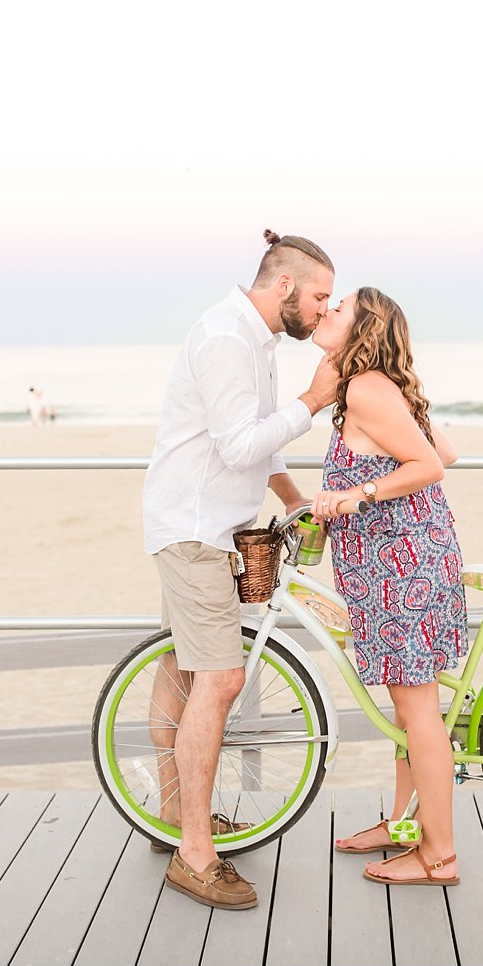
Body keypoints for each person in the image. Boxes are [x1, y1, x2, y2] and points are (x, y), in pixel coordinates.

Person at [143, 229, 339, 911]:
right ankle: (195, 855)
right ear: (285, 285)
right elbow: (236, 446)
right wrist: (312, 403)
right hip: (196, 530)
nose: (322, 310)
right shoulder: (228, 338)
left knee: (186, 672)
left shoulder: (251, 338)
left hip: (207, 527)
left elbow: (258, 442)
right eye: (319, 296)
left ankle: (174, 819)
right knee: (221, 679)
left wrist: (294, 499)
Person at [312, 287, 465, 888]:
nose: (324, 311)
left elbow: (427, 465)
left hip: (402, 569)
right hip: (396, 564)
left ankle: (440, 857)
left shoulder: (365, 389)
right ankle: (405, 823)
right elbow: (445, 450)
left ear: (365, 329)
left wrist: (356, 494)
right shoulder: (373, 387)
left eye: (338, 307)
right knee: (409, 709)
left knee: (419, 711)